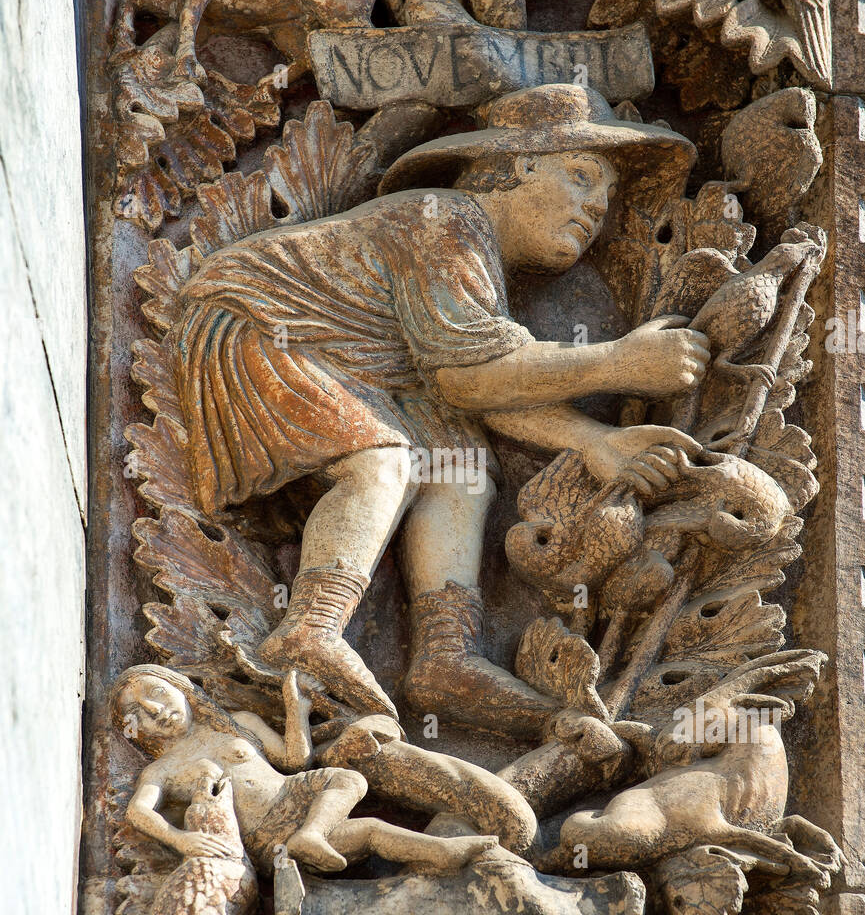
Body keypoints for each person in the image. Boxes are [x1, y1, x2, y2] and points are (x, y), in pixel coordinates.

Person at [173, 83, 709, 735]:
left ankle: (445, 658)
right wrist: (618, 362)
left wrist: (594, 441)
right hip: (252, 328)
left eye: (605, 194)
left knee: (459, 464)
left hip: (357, 371)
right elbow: (469, 377)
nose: (595, 204)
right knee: (385, 460)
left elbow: (490, 387)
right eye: (580, 175)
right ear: (517, 164)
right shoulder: (443, 220)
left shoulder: (473, 258)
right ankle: (309, 629)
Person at [112, 665, 497, 874]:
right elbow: (138, 810)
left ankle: (314, 835)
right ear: (134, 732)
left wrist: (296, 707)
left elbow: (295, 760)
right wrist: (181, 840)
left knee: (350, 780)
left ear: (181, 687)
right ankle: (441, 852)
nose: (155, 710)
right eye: (138, 713)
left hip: (296, 794)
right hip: (266, 836)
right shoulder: (162, 770)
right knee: (371, 831)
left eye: (158, 692)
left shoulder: (237, 722)